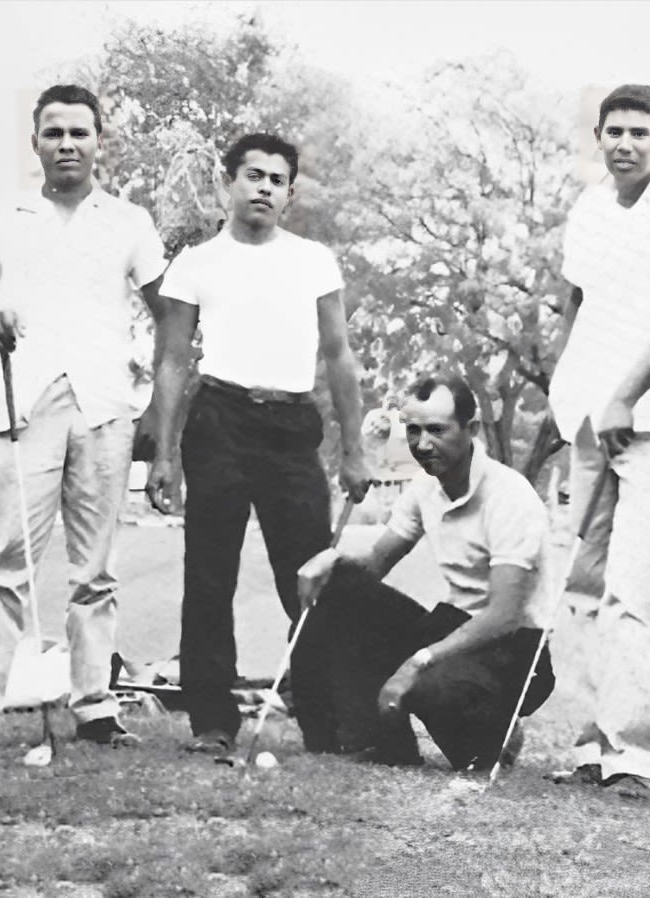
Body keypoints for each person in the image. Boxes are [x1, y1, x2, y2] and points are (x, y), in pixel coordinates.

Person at [0, 85, 168, 750]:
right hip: (23, 400)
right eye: (54, 133)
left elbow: (169, 310)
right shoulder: (9, 213)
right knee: (7, 561)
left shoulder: (129, 222)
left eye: (79, 133)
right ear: (35, 141)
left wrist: (156, 391)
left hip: (104, 405)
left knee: (96, 568)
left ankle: (94, 704)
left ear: (99, 141)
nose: (67, 144)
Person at [145, 132, 372, 755]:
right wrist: (164, 455)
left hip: (291, 426)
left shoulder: (313, 260)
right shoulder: (194, 263)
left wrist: (354, 448)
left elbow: (338, 354)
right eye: (253, 175)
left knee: (308, 576)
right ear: (228, 183)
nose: (264, 187)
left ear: (290, 193)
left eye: (277, 179)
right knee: (209, 575)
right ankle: (212, 720)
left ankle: (326, 721)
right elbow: (171, 363)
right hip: (218, 419)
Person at [545, 85, 650, 798]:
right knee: (582, 590)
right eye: (612, 131)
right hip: (589, 424)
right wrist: (568, 392)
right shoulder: (587, 210)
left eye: (639, 132)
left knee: (631, 592)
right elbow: (575, 307)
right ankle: (595, 743)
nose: (623, 143)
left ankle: (640, 758)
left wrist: (625, 396)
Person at [290, 374, 555, 769]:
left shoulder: (511, 498)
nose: (423, 444)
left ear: (471, 430)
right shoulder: (424, 488)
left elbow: (506, 614)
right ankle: (378, 742)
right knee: (341, 586)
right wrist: (333, 560)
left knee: (439, 702)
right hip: (452, 625)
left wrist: (417, 662)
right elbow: (377, 563)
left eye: (436, 430)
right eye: (413, 431)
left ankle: (498, 732)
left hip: (515, 647)